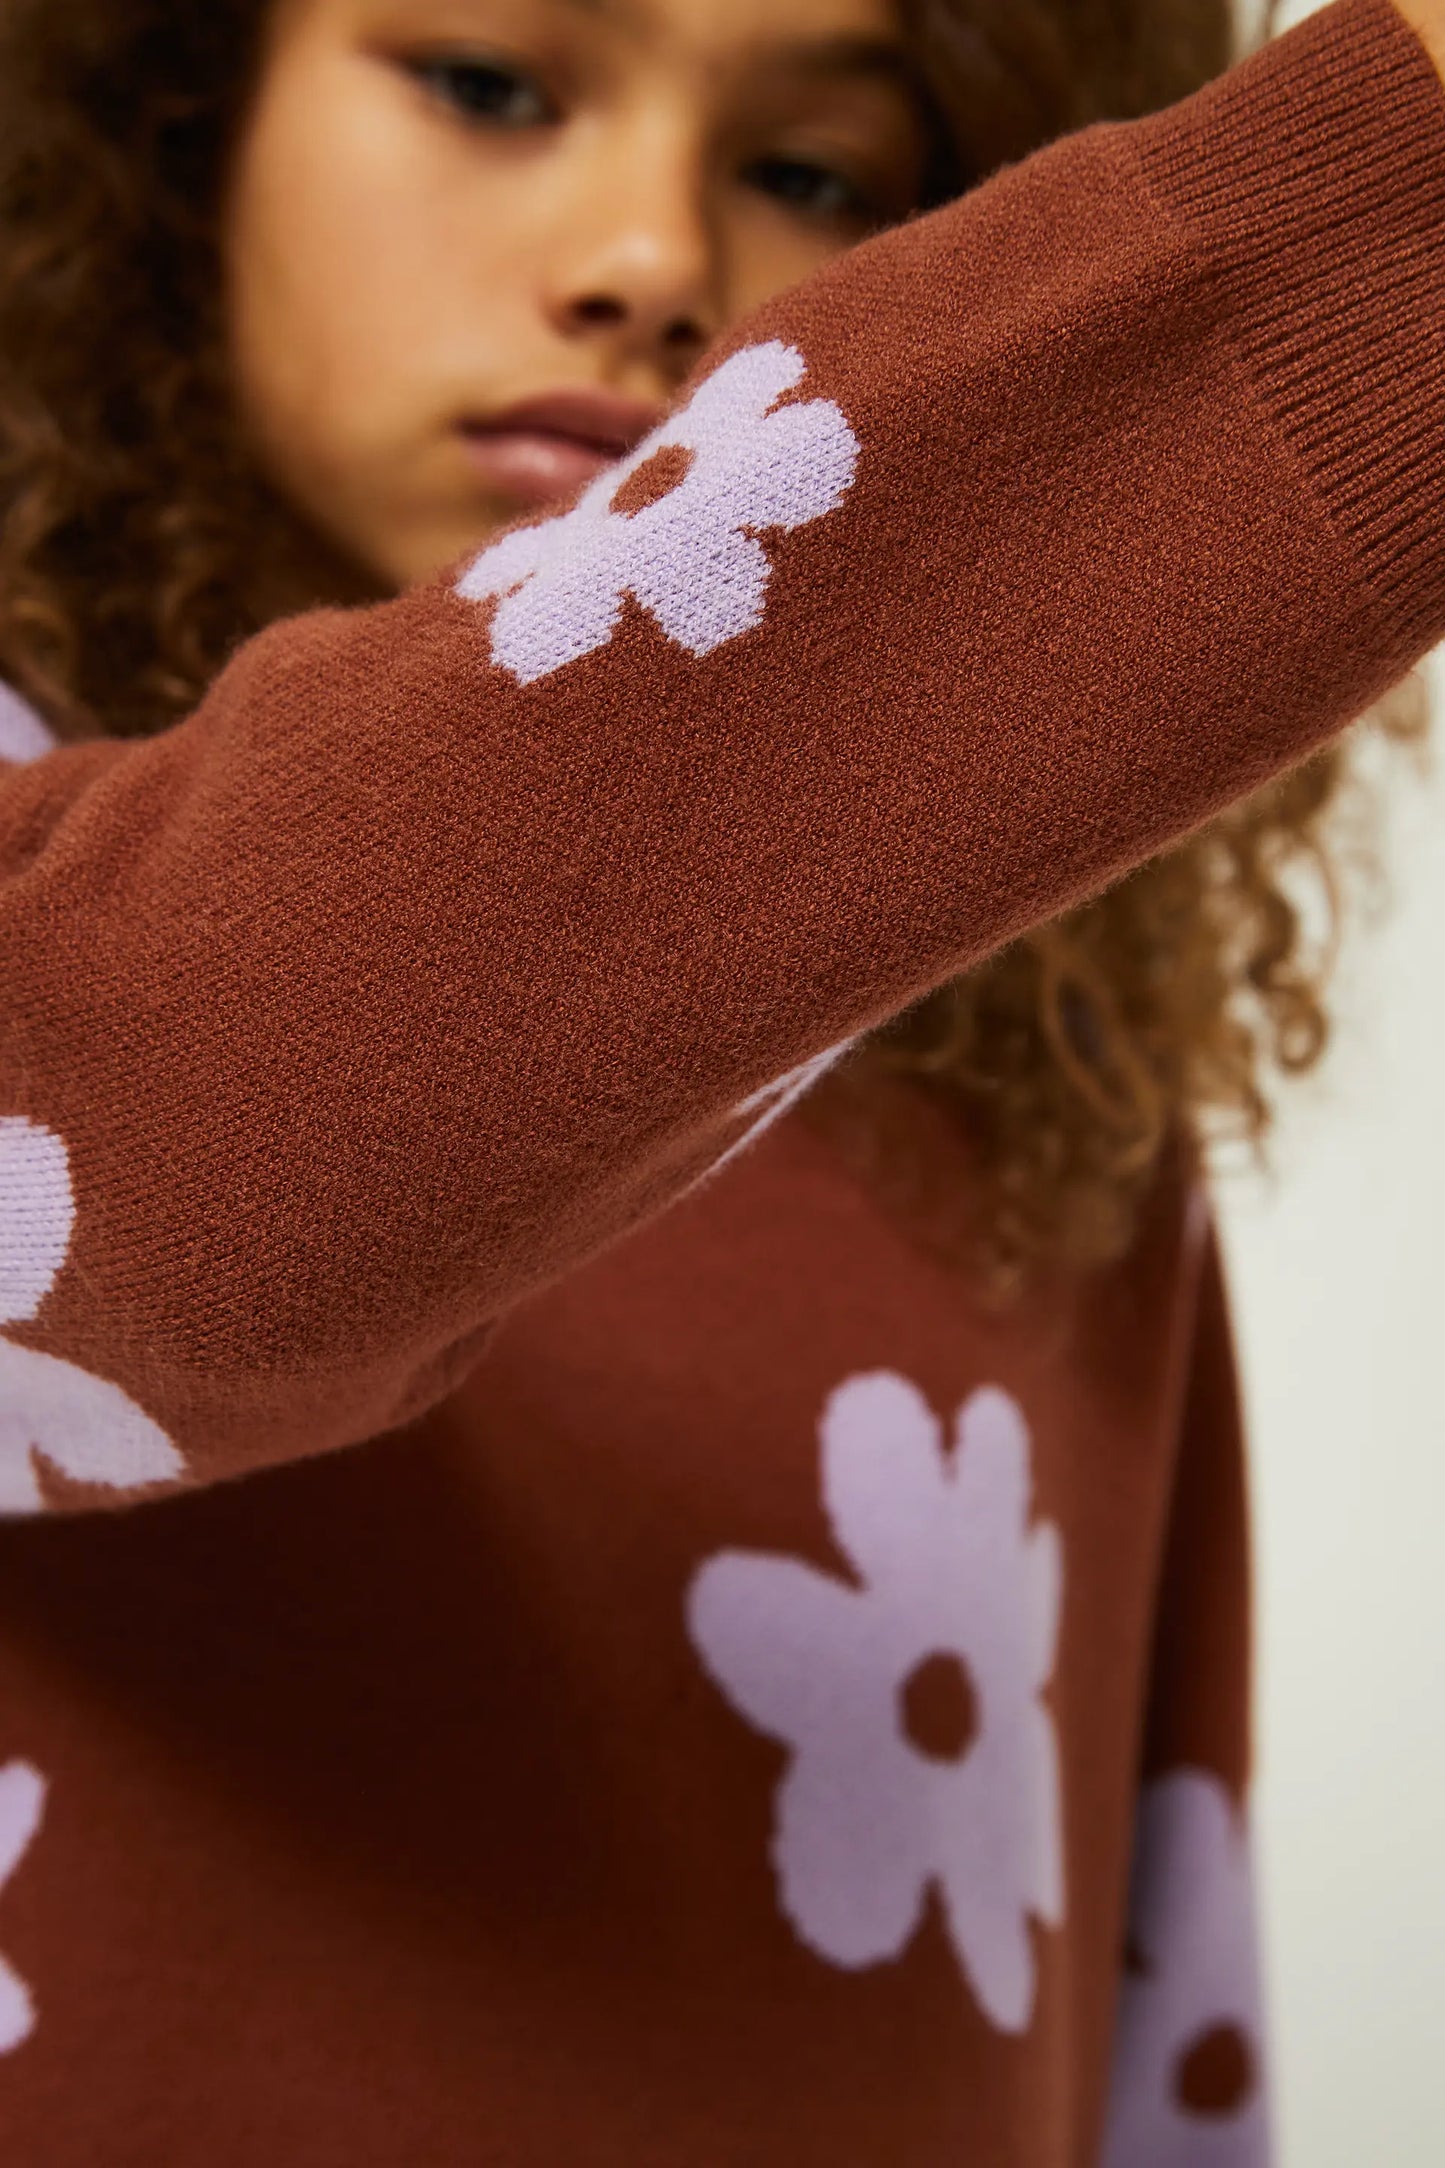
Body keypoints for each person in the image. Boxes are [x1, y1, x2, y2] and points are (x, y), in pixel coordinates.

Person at [0, 0, 1440, 2157]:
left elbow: (1160, 2023)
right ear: (179, 102)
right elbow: (152, 1188)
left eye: (820, 169)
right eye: (489, 85)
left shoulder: (1024, 1090)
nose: (651, 250)